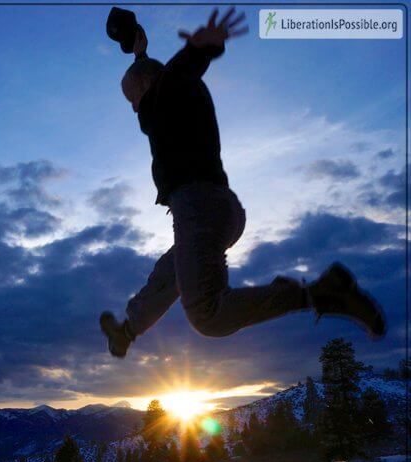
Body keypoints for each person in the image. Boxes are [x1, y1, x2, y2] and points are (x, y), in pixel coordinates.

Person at [100, 7, 386, 358]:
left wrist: (201, 48)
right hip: (220, 209)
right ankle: (127, 330)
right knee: (171, 270)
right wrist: (142, 54)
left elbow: (176, 72)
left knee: (208, 316)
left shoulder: (170, 87)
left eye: (131, 98)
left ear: (146, 85)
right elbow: (160, 89)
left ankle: (318, 293)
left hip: (200, 208)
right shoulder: (168, 100)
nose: (133, 108)